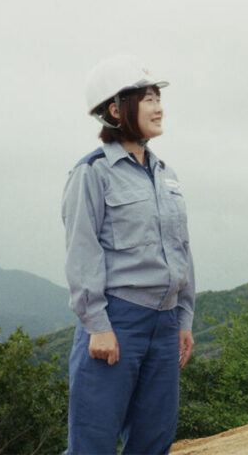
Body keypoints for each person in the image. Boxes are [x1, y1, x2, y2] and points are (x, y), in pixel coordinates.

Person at [62, 53, 195, 454]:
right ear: (116, 110)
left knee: (154, 439)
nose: (159, 106)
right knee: (94, 442)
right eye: (148, 98)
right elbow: (81, 252)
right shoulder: (92, 172)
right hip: (117, 321)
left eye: (158, 97)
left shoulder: (165, 174)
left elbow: (182, 251)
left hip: (166, 322)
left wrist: (184, 318)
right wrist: (97, 324)